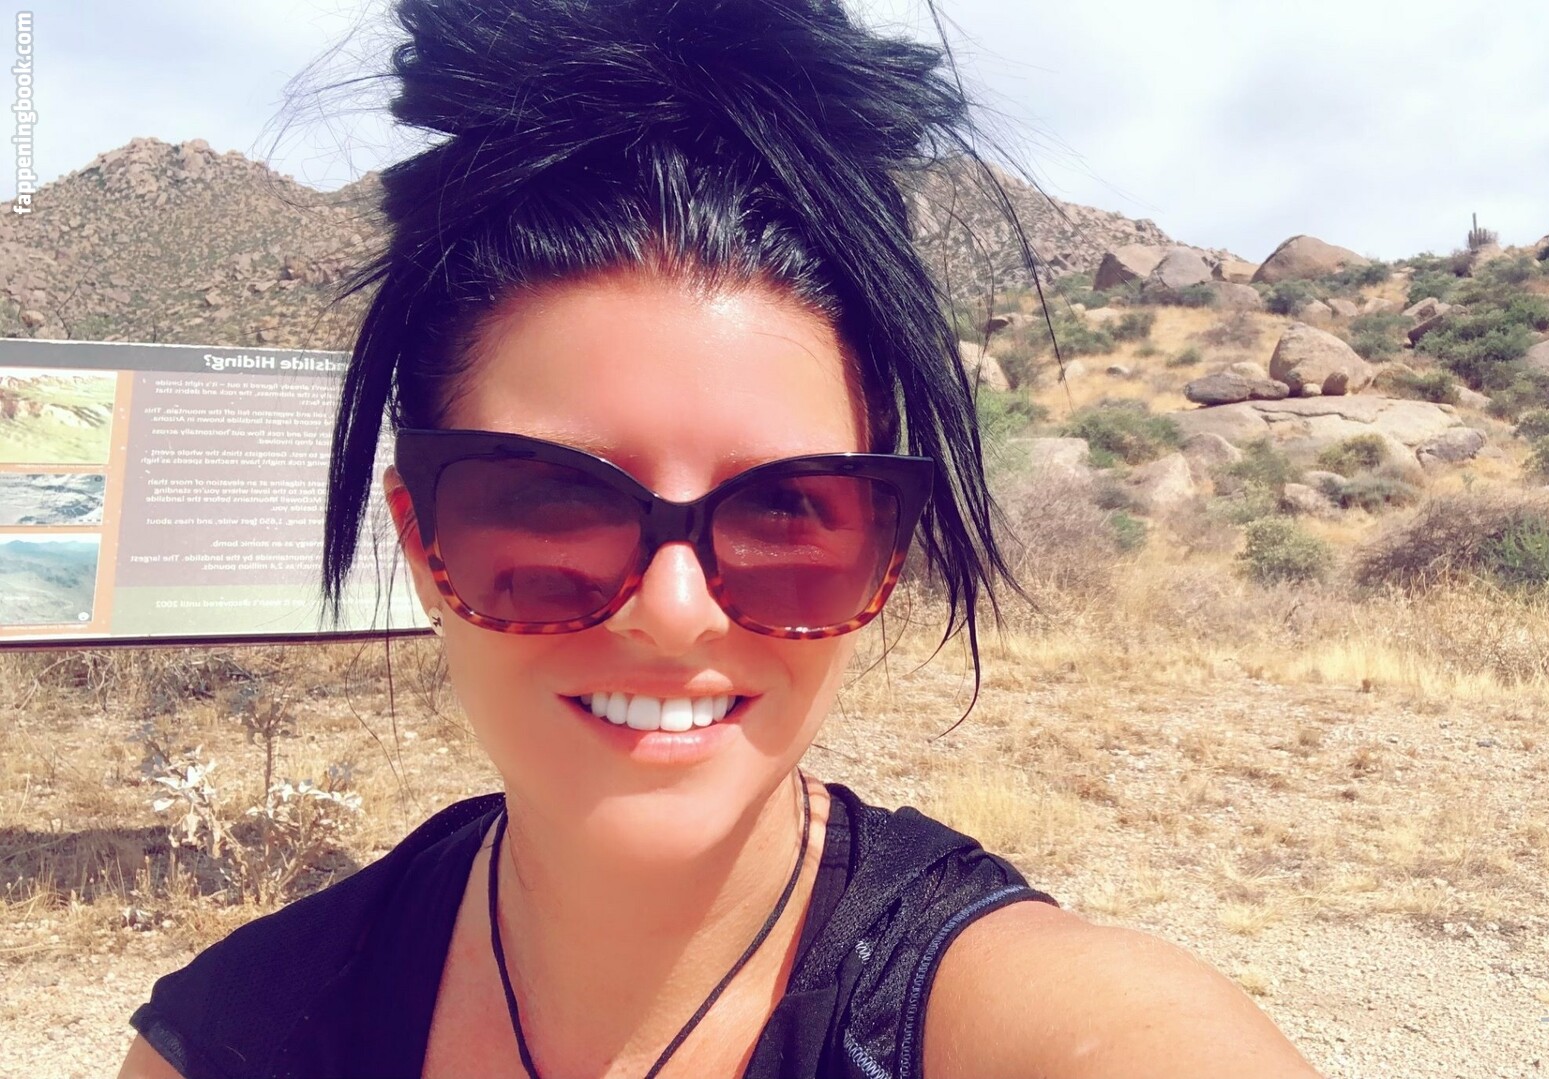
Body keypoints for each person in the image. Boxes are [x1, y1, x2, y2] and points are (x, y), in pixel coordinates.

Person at [118, 0, 1323, 1075]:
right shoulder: (242, 1031)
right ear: (424, 541)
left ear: (883, 551)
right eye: (556, 499)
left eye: (785, 509)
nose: (676, 610)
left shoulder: (1028, 1019)